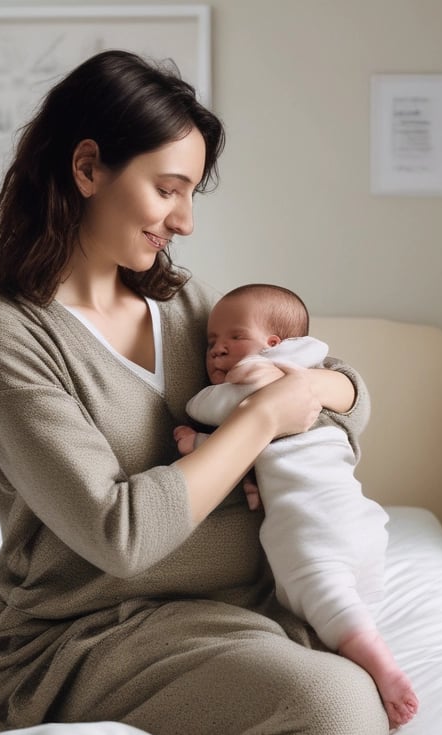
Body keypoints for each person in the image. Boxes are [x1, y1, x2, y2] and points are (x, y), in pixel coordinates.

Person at [0, 49, 388, 734]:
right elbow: (118, 534)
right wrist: (264, 416)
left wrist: (317, 385)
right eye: (168, 189)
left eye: (190, 194)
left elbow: (347, 397)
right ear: (88, 167)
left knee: (349, 692)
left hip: (243, 612)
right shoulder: (3, 334)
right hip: (92, 636)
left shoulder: (186, 306)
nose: (184, 221)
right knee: (337, 707)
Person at [173, 283, 418, 728]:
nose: (216, 351)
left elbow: (216, 410)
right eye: (210, 342)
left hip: (312, 526)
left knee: (325, 594)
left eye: (233, 338)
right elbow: (261, 445)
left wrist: (194, 433)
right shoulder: (311, 374)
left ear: (273, 346)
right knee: (351, 600)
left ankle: (384, 669)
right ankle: (358, 647)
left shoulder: (258, 379)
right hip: (359, 520)